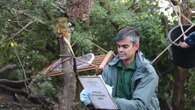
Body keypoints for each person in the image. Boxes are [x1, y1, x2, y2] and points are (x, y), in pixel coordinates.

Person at [80, 27, 160, 110]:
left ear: (136, 46)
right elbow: (101, 101)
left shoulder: (147, 72)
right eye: (118, 46)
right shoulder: (110, 68)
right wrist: (91, 100)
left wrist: (110, 101)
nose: (120, 50)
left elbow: (139, 106)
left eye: (125, 46)